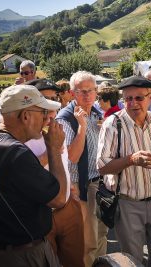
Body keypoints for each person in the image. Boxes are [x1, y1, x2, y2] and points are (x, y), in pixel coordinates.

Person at [96, 76, 151, 267]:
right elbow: (102, 166)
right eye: (128, 99)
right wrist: (131, 160)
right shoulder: (113, 124)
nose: (133, 103)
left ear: (150, 98)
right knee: (132, 259)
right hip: (127, 205)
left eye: (139, 98)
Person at [0, 84, 66, 267]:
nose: (47, 119)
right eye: (42, 113)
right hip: (23, 254)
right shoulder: (16, 153)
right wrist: (54, 149)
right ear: (25, 116)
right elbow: (58, 199)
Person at [24, 78, 84, 267]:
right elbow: (21, 172)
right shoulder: (22, 134)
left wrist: (70, 191)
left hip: (67, 208)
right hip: (40, 214)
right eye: (44, 100)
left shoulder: (57, 127)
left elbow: (68, 161)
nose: (51, 107)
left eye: (54, 98)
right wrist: (49, 151)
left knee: (76, 262)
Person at [56, 71, 107, 267]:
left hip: (99, 183)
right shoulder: (65, 118)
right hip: (80, 186)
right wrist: (82, 127)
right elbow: (72, 157)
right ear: (72, 93)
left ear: (96, 92)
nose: (87, 95)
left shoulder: (96, 112)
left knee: (101, 234)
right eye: (81, 91)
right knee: (87, 243)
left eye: (91, 90)